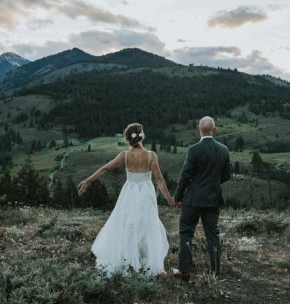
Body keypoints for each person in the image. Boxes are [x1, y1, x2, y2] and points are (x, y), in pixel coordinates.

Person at [78, 123, 174, 277]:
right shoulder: (151, 155)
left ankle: (129, 260)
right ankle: (147, 262)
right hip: (146, 193)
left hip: (129, 192)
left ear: (128, 138)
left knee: (128, 224)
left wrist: (88, 181)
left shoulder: (125, 155)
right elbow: (160, 179)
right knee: (148, 224)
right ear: (142, 135)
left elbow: (105, 168)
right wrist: (170, 199)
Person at [172, 116, 231, 282]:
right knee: (213, 235)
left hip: (192, 200)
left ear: (199, 128)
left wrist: (177, 197)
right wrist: (212, 183)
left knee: (186, 233)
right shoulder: (224, 150)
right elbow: (227, 175)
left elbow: (185, 176)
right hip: (212, 200)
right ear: (215, 129)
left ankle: (184, 272)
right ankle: (215, 273)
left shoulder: (193, 150)